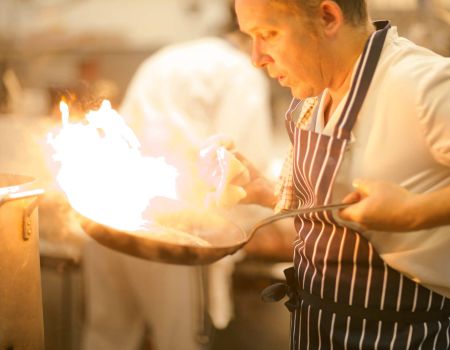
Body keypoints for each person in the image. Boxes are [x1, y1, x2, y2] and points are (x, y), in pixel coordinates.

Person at [224, 0, 450, 348]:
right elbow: (325, 210)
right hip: (318, 329)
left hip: (400, 336)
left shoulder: (421, 83)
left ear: (327, 17)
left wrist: (413, 213)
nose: (257, 57)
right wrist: (265, 190)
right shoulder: (313, 94)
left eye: (268, 34)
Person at [81, 29, 275, 350]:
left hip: (109, 220)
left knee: (106, 337)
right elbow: (241, 168)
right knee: (180, 342)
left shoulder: (169, 57)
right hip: (171, 232)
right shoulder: (242, 71)